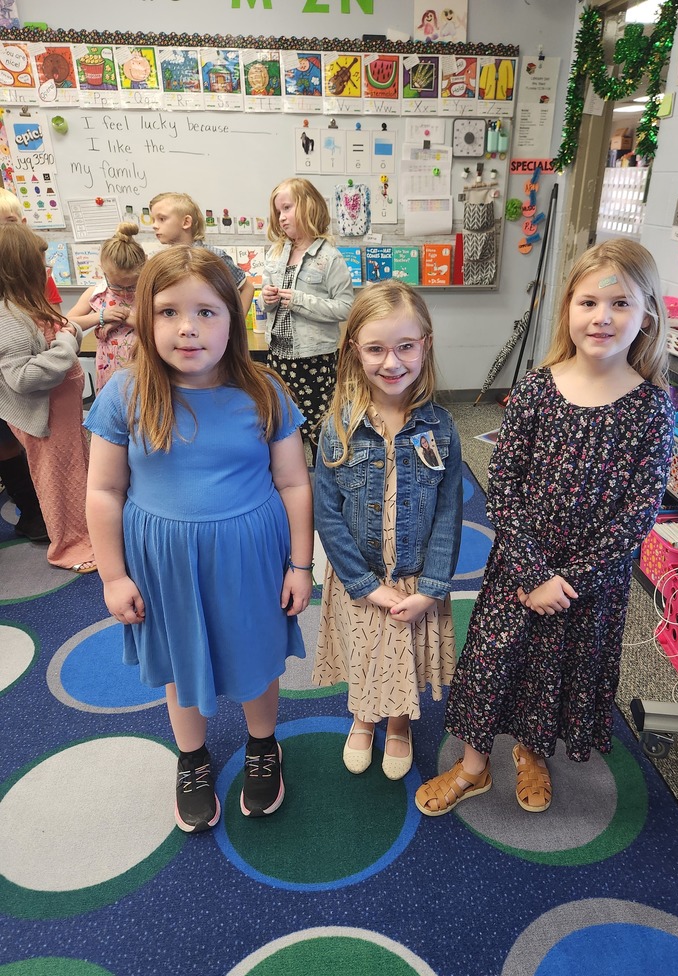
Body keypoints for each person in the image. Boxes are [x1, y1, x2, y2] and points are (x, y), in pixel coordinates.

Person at [415, 239, 675, 817]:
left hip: (590, 583)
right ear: (567, 310)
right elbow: (501, 484)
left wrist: (572, 579)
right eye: (588, 302)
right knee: (492, 664)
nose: (601, 317)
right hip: (519, 566)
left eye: (620, 304)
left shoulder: (650, 408)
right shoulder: (536, 388)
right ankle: (474, 765)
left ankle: (533, 754)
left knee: (554, 675)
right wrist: (533, 573)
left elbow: (637, 515)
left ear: (647, 315)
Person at [85, 246, 313, 834]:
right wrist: (113, 575)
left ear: (233, 319)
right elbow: (105, 490)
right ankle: (192, 758)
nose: (187, 328)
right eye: (168, 312)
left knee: (259, 657)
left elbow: (292, 481)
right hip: (164, 566)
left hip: (252, 559)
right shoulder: (125, 393)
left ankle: (264, 746)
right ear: (144, 318)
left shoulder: (264, 391)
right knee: (182, 661)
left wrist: (301, 565)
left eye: (207, 312)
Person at [312, 281, 462, 780]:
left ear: (426, 345)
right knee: (365, 652)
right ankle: (362, 718)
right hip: (362, 576)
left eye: (405, 346)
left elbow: (448, 513)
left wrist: (435, 586)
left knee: (403, 658)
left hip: (416, 576)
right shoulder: (337, 425)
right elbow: (327, 514)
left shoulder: (440, 428)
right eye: (376, 348)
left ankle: (397, 725)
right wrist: (363, 583)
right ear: (355, 350)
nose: (391, 362)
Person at [0, 223, 95, 571]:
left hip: (63, 415)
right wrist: (69, 343)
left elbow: (63, 337)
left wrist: (73, 333)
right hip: (44, 419)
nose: (48, 270)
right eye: (41, 264)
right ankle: (69, 546)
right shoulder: (8, 318)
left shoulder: (30, 307)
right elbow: (23, 378)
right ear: (21, 269)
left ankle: (89, 532)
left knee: (78, 472)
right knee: (57, 482)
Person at [262, 177, 354, 463]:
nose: (282, 217)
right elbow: (268, 307)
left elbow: (346, 307)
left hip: (314, 359)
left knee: (320, 428)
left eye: (287, 208)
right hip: (280, 356)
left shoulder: (329, 258)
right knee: (282, 426)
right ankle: (291, 484)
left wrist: (300, 300)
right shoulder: (276, 253)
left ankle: (325, 484)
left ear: (308, 207)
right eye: (278, 211)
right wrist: (267, 299)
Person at [66, 221, 146, 392]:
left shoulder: (148, 292)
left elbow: (158, 326)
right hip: (108, 368)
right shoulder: (96, 293)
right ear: (102, 269)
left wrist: (123, 320)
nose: (124, 292)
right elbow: (67, 323)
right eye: (117, 286)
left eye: (131, 286)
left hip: (143, 366)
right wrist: (101, 316)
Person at [149, 191, 255, 316]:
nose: (154, 225)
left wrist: (236, 325)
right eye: (153, 220)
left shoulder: (214, 257)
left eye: (162, 219)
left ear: (186, 222)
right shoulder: (161, 262)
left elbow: (247, 288)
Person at [0, 188, 62, 310]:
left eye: (11, 221)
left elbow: (57, 319)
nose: (4, 229)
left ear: (23, 224)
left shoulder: (37, 270)